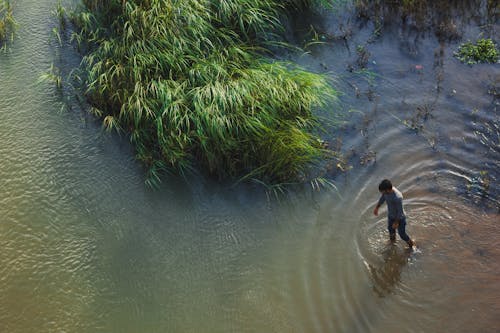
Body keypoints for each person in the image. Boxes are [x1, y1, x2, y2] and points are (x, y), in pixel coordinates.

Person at [373, 179, 415, 248]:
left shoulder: (398, 197)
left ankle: (411, 245)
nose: (382, 193)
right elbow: (382, 198)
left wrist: (396, 222)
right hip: (391, 216)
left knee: (402, 234)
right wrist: (377, 208)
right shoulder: (385, 193)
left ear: (388, 190)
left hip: (400, 218)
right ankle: (392, 244)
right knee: (391, 230)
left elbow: (400, 212)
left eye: (383, 192)